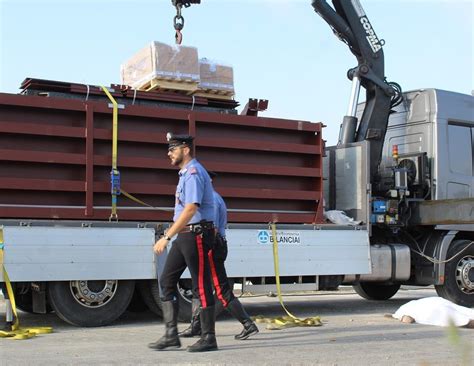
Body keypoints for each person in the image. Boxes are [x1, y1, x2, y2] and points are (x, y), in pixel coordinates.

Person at [148, 133, 218, 353]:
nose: (169, 153)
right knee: (167, 281)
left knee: (201, 287)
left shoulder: (194, 173)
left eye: (172, 149)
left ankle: (209, 338)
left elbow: (190, 209)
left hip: (196, 234)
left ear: (185, 149)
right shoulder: (184, 174)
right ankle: (171, 336)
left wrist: (167, 236)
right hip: (185, 236)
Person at [179, 171, 259, 340]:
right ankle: (196, 326)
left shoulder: (212, 201)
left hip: (212, 247)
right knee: (199, 287)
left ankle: (248, 324)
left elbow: (211, 229)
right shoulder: (211, 199)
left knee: (221, 291)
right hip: (211, 246)